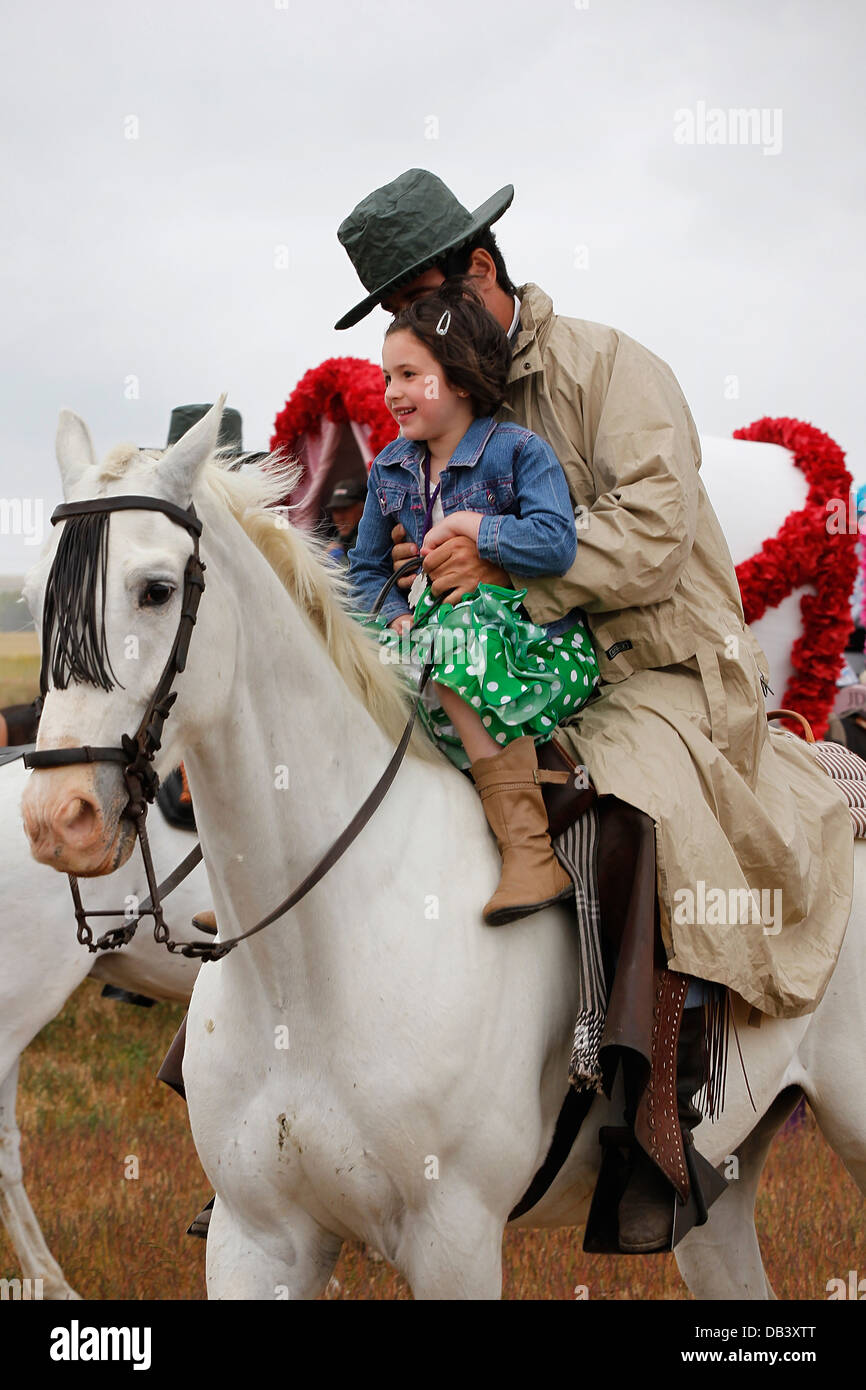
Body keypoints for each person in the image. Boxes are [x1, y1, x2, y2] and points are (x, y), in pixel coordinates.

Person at [334, 168, 854, 1252]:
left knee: (613, 796)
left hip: (659, 668)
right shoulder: (441, 392)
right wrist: (404, 561)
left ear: (480, 271)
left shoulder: (612, 368)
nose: (404, 334)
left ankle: (653, 1105)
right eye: (392, 318)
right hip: (501, 655)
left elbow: (652, 532)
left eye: (415, 303)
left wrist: (495, 574)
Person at [348, 283, 599, 923]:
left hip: (534, 653)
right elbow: (367, 572)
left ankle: (529, 850)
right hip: (434, 644)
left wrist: (474, 530)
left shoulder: (517, 451)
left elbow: (555, 543)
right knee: (356, 663)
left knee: (457, 633)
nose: (392, 392)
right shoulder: (389, 471)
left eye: (410, 374)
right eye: (386, 378)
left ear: (458, 379)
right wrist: (394, 615)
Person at [323, 477, 367, 565]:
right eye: (335, 510)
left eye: (345, 509)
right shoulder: (335, 542)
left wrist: (341, 562)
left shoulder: (372, 541)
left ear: (362, 509)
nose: (340, 517)